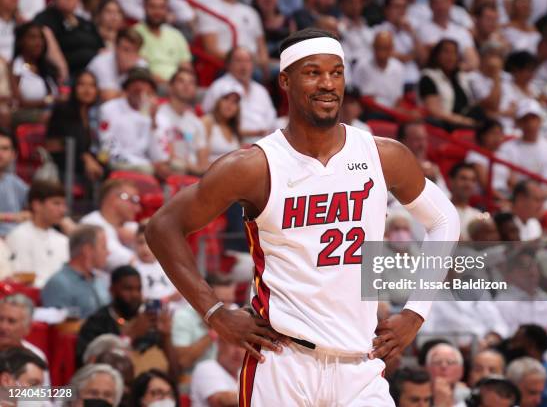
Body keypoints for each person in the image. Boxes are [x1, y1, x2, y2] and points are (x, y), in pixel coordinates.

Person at [146, 27, 460, 405]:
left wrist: (416, 312)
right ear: (285, 80)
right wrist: (215, 313)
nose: (327, 83)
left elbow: (445, 220)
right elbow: (162, 227)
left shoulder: (383, 155)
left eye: (336, 72)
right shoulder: (254, 165)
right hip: (282, 363)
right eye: (312, 72)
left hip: (361, 365)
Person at [76, 266, 179, 378]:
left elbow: (175, 373)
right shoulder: (97, 322)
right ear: (112, 290)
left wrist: (166, 337)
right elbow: (89, 367)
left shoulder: (150, 319)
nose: (135, 295)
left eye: (138, 289)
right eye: (128, 289)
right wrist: (131, 335)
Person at [97, 67, 166, 174]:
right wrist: (142, 164)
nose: (139, 87)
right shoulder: (109, 108)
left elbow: (159, 157)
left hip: (143, 165)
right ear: (127, 88)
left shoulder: (157, 116)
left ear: (151, 90)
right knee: (146, 170)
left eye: (144, 83)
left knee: (175, 168)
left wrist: (153, 121)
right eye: (135, 83)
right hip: (114, 161)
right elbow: (106, 145)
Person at [202, 47, 277, 140]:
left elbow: (271, 118)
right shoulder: (219, 87)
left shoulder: (261, 90)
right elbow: (209, 118)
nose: (243, 65)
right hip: (234, 141)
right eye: (238, 61)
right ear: (228, 65)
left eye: (247, 61)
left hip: (265, 140)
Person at [6, 180, 68, 287]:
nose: (63, 210)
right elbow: (23, 280)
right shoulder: (19, 236)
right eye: (56, 203)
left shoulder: (63, 240)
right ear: (37, 205)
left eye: (64, 204)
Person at [46, 70, 104, 183]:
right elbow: (67, 141)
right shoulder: (63, 110)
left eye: (92, 85)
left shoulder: (94, 114)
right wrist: (86, 159)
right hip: (63, 163)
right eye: (82, 84)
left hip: (85, 163)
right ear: (74, 88)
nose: (87, 90)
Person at [41, 225, 111, 319]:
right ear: (88, 250)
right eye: (104, 247)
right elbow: (62, 329)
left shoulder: (101, 281)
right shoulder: (58, 284)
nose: (108, 252)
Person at [171, 274, 235, 375]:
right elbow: (182, 361)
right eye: (221, 302)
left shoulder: (235, 311)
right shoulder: (183, 317)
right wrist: (214, 332)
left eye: (230, 301)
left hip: (226, 377)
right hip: (191, 380)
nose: (226, 308)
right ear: (204, 298)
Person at [503, 324, 547, 407]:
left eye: (516, 341)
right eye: (532, 393)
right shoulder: (508, 371)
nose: (511, 346)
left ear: (532, 346)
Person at [196, 0, 270, 80]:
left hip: (255, 63)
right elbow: (210, 48)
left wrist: (264, 63)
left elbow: (262, 45)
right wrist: (242, 60)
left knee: (282, 70)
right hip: (225, 65)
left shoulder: (251, 12)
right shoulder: (210, 9)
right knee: (254, 73)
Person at [495, 248, 547, 334]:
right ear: (509, 274)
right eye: (523, 266)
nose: (531, 271)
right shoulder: (502, 303)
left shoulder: (546, 299)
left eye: (533, 265)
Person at [499, 99, 547, 184]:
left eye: (533, 118)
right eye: (525, 119)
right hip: (520, 196)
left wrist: (544, 194)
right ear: (519, 123)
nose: (530, 124)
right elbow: (509, 179)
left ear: (540, 120)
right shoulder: (507, 148)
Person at [154, 68, 207, 176]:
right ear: (170, 87)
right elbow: (163, 156)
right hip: (167, 174)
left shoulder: (197, 122)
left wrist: (193, 168)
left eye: (191, 82)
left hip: (193, 177)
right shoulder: (158, 115)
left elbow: (203, 163)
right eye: (181, 81)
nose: (186, 85)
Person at [80, 179, 139, 271]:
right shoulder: (91, 224)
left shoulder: (130, 226)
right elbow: (127, 263)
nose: (138, 208)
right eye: (133, 200)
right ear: (113, 199)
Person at [33, 0, 104, 75]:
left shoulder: (85, 22)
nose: (69, 0)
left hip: (94, 73)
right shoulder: (45, 19)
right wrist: (61, 68)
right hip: (69, 74)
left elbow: (102, 47)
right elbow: (45, 42)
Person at [418, 39, 476, 130]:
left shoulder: (461, 77)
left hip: (462, 124)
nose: (451, 57)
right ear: (436, 55)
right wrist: (461, 120)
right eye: (446, 52)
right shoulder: (428, 77)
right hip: (442, 126)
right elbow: (434, 111)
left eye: (454, 53)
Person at [133, 0, 191, 84]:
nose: (157, 12)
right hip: (150, 85)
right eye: (153, 7)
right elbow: (140, 70)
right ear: (144, 7)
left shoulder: (176, 35)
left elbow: (186, 67)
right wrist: (169, 85)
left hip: (178, 86)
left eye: (161, 7)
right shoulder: (134, 34)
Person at [10, 22, 59, 118]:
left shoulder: (48, 67)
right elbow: (18, 102)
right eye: (32, 38)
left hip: (52, 114)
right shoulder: (14, 67)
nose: (38, 42)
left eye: (41, 38)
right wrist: (50, 100)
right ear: (21, 41)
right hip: (25, 114)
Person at [415, 0, 479, 71]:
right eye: (437, 3)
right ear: (430, 5)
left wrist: (452, 70)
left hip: (458, 76)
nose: (441, 7)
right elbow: (422, 61)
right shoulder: (421, 30)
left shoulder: (461, 31)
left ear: (451, 3)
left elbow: (473, 62)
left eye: (444, 2)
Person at [87, 28, 146, 102]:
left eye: (134, 51)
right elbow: (107, 97)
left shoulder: (141, 64)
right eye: (126, 49)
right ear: (116, 48)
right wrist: (133, 95)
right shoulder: (101, 62)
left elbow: (146, 95)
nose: (130, 55)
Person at [373, 0, 419, 89]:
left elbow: (423, 56)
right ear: (386, 10)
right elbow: (390, 55)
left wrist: (412, 33)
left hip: (415, 81)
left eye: (404, 7)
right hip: (392, 82)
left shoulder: (410, 31)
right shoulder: (379, 31)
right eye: (397, 7)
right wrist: (412, 56)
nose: (401, 11)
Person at [352, 30, 405, 108]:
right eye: (378, 47)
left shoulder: (398, 67)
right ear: (373, 47)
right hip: (367, 111)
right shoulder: (361, 66)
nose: (381, 52)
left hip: (390, 113)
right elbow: (354, 95)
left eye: (385, 48)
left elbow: (398, 99)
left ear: (392, 49)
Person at [465, 119, 512, 199]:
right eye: (493, 133)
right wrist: (505, 200)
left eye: (500, 134)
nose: (497, 138)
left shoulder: (503, 154)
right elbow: (485, 185)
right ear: (483, 135)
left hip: (505, 194)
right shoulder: (475, 155)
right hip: (485, 198)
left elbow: (512, 181)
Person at [397, 121, 448, 194]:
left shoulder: (433, 169)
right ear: (402, 141)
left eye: (424, 139)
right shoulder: (392, 166)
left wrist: (433, 181)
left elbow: (446, 197)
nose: (422, 144)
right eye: (417, 139)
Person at [191, 338, 245, 407]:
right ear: (220, 343)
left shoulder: (243, 373)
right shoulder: (207, 367)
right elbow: (221, 402)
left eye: (244, 346)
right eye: (233, 343)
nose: (238, 350)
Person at [133, 224, 179, 304]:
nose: (145, 248)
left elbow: (180, 292)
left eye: (149, 243)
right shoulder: (134, 268)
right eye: (141, 242)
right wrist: (162, 301)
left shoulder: (168, 265)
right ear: (134, 244)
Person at [200, 80, 243, 166]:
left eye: (235, 102)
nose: (230, 104)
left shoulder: (234, 127)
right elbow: (201, 162)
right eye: (226, 99)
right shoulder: (207, 122)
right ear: (217, 101)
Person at [0, 294, 48, 368]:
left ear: (27, 328)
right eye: (0, 319)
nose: (3, 326)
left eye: (11, 321)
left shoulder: (35, 358)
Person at [0, 131, 29, 237]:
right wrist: (12, 217)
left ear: (14, 154)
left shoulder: (14, 182)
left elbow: (37, 204)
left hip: (16, 239)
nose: (0, 153)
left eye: (5, 148)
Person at [447, 162, 481, 240]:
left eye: (473, 180)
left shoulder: (478, 216)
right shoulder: (439, 209)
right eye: (463, 179)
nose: (468, 184)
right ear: (451, 181)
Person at [337, 0, 372, 68]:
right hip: (352, 68)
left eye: (358, 3)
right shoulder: (339, 27)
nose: (355, 6)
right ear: (342, 5)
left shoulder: (367, 25)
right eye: (351, 2)